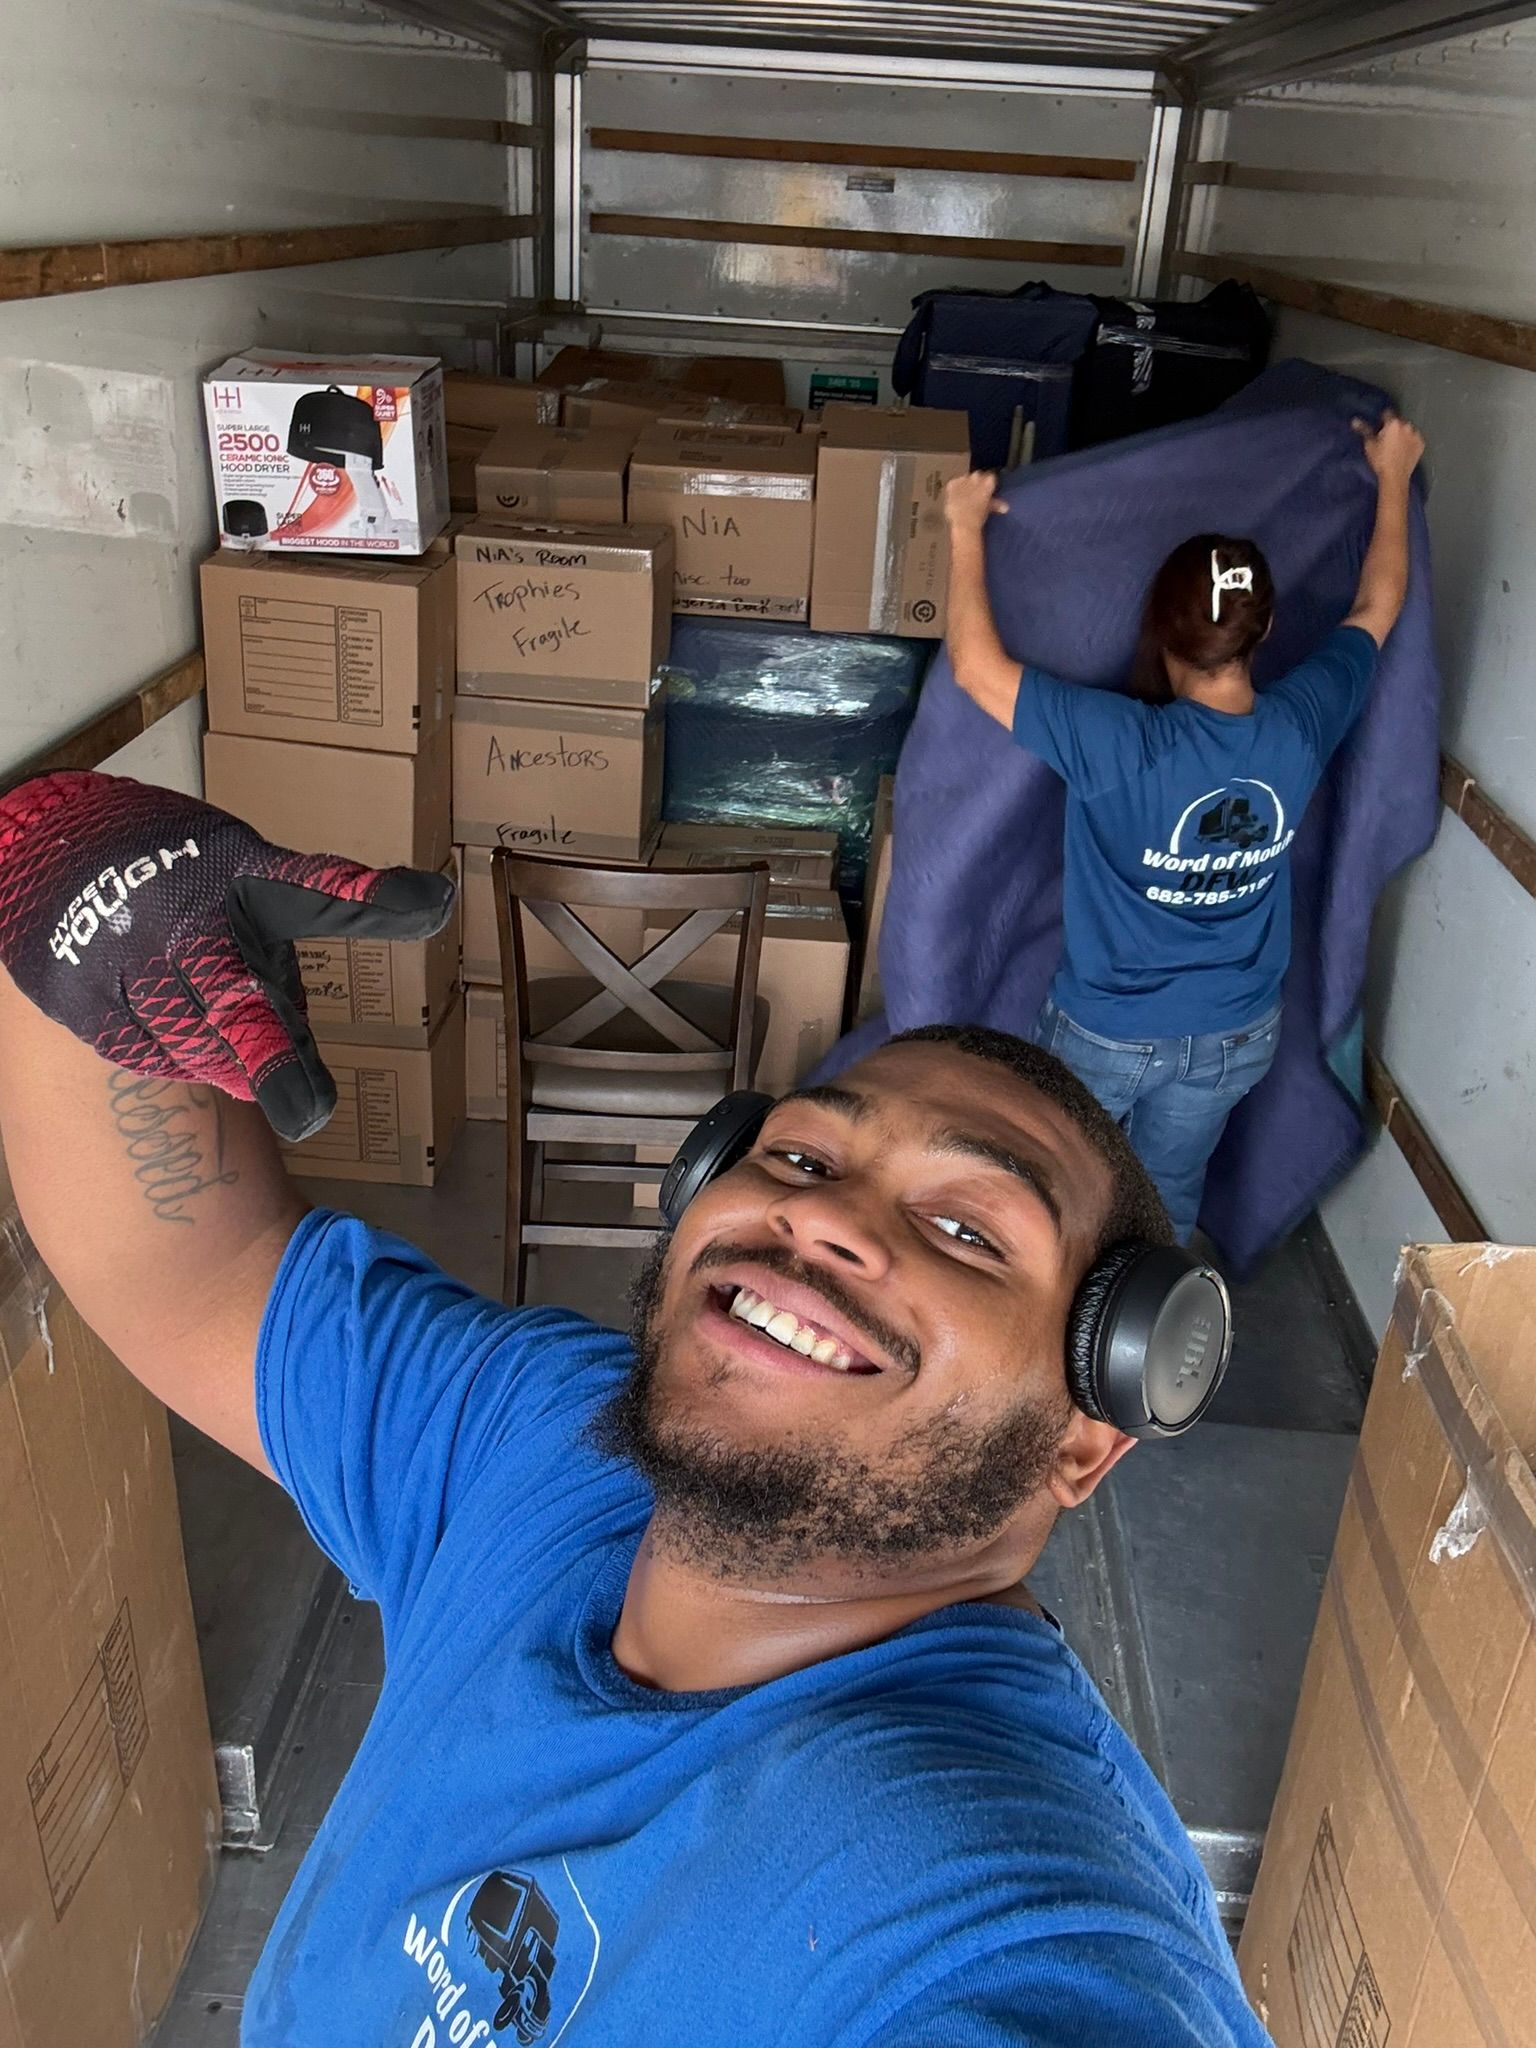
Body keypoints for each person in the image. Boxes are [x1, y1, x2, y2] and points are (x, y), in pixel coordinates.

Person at [0, 770, 1273, 2045]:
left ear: (1087, 1433)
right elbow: (191, 1266)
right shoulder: (534, 1435)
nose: (822, 1215)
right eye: (802, 1155)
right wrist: (71, 870)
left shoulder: (1002, 1901)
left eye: (964, 1228)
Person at [941, 411, 1425, 1243]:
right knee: (1163, 1201)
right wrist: (1392, 477)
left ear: (1160, 628)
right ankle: (1130, 1348)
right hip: (1236, 1034)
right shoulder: (1300, 725)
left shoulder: (1119, 742)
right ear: (1264, 630)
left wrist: (963, 527)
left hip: (1105, 1033)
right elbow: (1378, 605)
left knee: (1054, 1198)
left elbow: (974, 666)